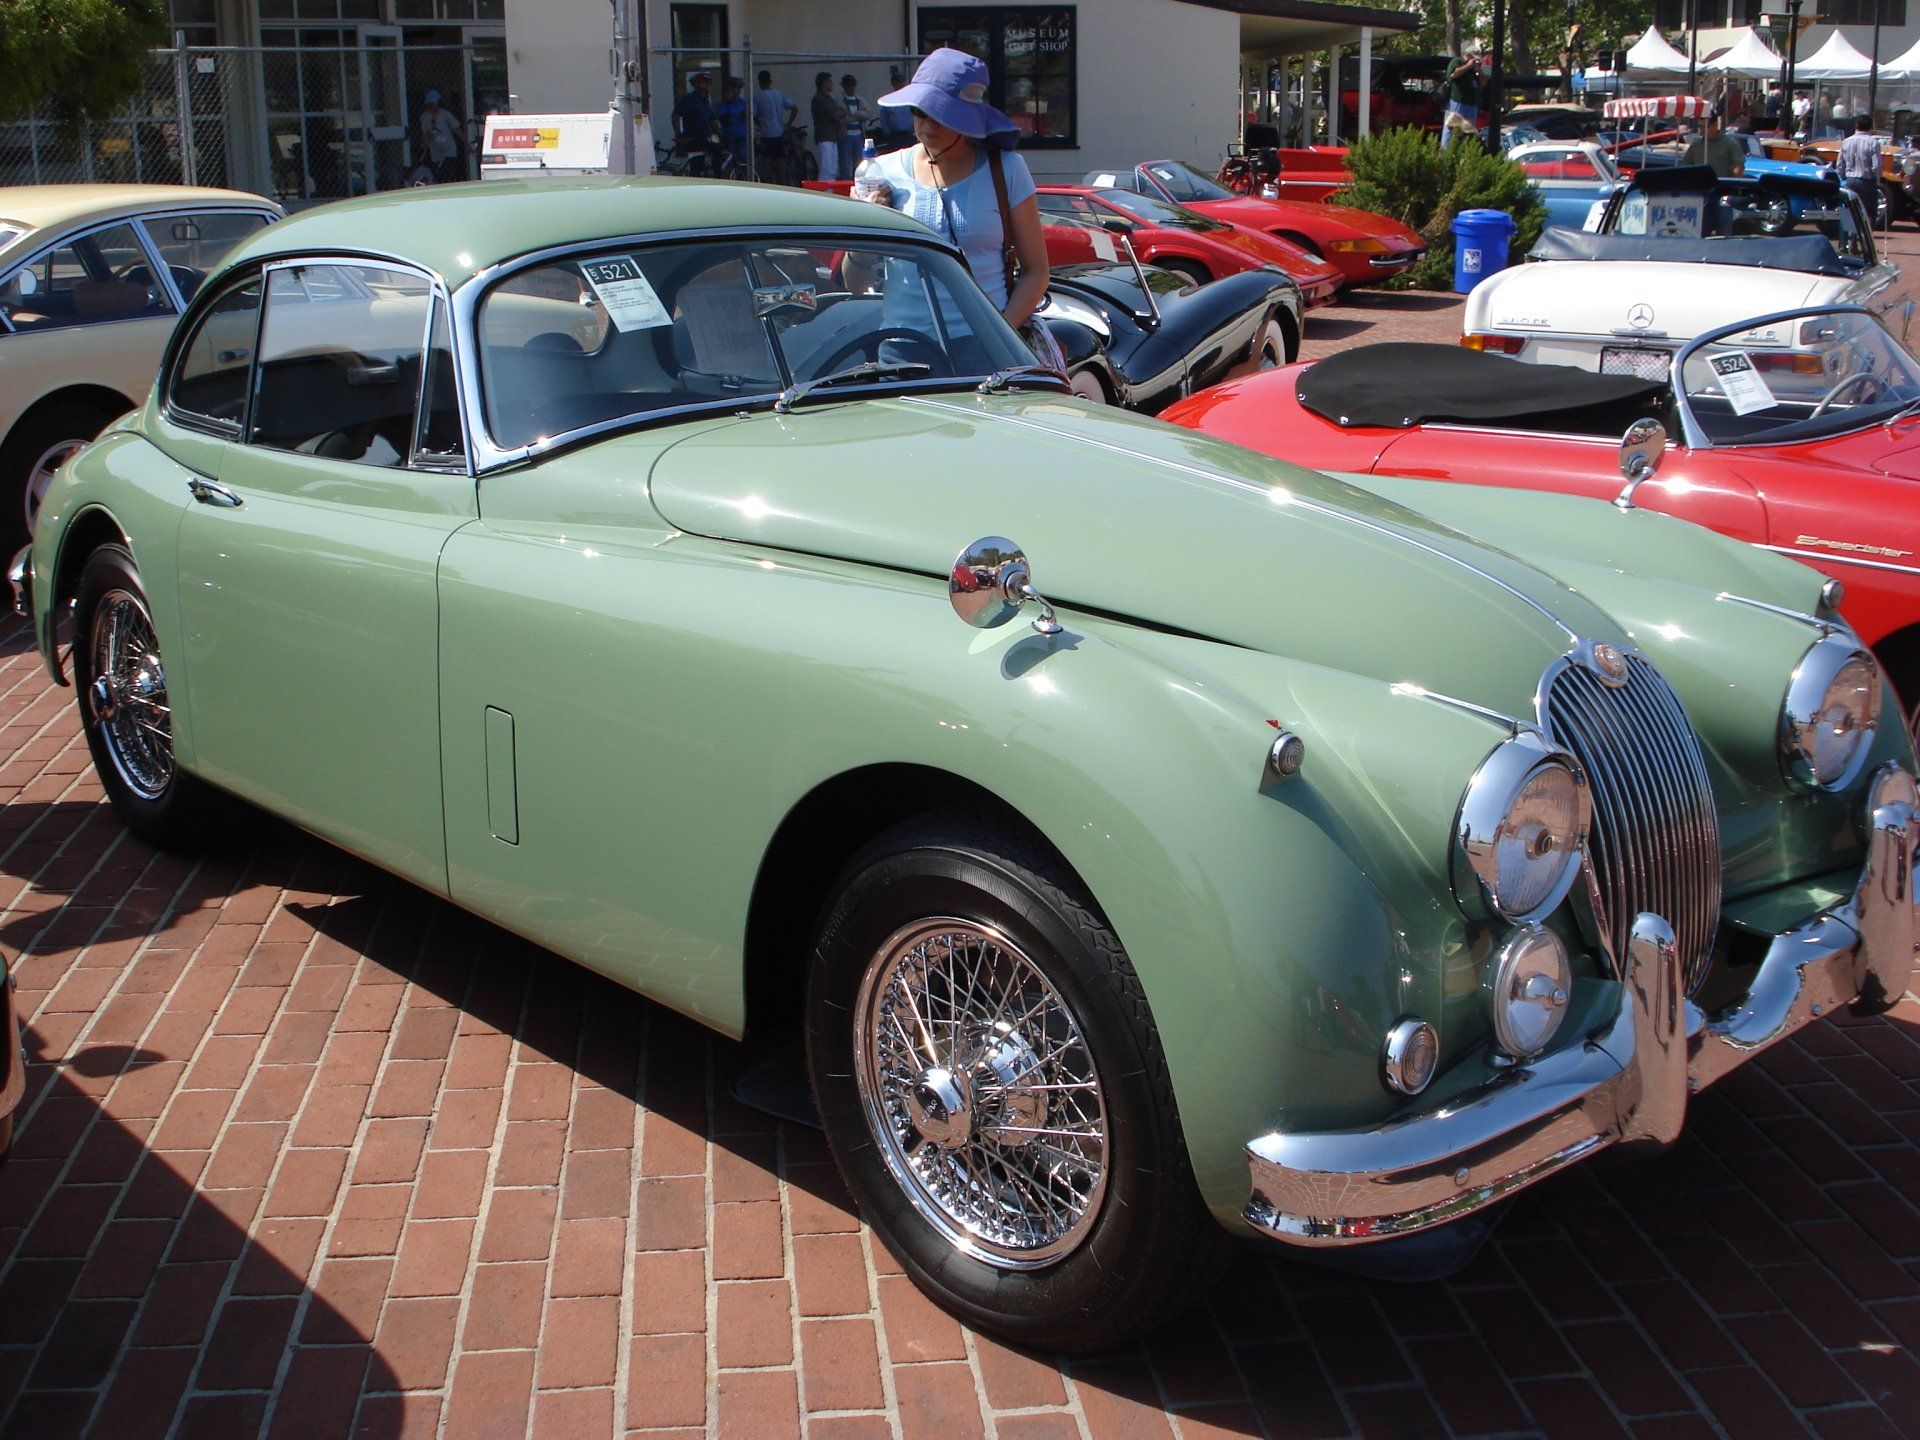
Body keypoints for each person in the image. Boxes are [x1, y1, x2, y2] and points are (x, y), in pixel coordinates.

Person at [855, 47, 1051, 371]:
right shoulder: (880, 171)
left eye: (941, 114)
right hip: (902, 349)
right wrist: (862, 225)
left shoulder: (1007, 169)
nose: (928, 126)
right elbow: (853, 280)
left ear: (968, 118)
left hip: (985, 348)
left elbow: (1037, 271)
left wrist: (999, 333)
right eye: (919, 111)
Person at [753, 70, 797, 180]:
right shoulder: (779, 94)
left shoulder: (758, 97)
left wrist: (760, 125)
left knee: (766, 161)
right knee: (780, 160)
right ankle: (784, 184)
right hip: (780, 132)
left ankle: (769, 185)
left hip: (767, 134)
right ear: (770, 81)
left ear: (759, 82)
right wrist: (788, 123)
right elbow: (794, 108)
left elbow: (752, 115)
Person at [1840, 113, 1884, 224]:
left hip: (1850, 180)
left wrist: (1844, 177)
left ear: (1856, 126)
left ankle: (1849, 238)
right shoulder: (1873, 143)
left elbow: (1840, 163)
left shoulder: (1846, 141)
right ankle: (1865, 237)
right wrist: (1878, 180)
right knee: (1868, 211)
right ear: (1870, 127)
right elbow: (1876, 165)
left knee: (1849, 210)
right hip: (1866, 181)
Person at [1441, 46, 1483, 149]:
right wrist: (1468, 66)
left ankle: (1465, 151)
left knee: (1469, 130)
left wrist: (1479, 71)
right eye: (1474, 58)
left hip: (1472, 104)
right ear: (1468, 55)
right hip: (1458, 102)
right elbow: (1453, 74)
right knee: (1451, 127)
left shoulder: (1474, 69)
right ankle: (1445, 151)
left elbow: (1483, 82)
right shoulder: (1457, 61)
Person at [418, 90, 464, 183]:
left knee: (448, 172)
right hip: (435, 152)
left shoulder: (446, 114)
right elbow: (425, 134)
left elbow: (456, 129)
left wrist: (466, 143)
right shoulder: (424, 117)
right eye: (429, 103)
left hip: (449, 150)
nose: (432, 106)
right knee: (438, 175)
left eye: (434, 103)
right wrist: (424, 146)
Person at [1683, 111, 1745, 178]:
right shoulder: (1696, 145)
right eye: (1701, 127)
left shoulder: (1729, 143)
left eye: (1706, 126)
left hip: (1722, 186)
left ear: (1715, 125)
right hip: (1701, 186)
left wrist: (1731, 184)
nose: (1703, 131)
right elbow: (1687, 166)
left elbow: (1738, 167)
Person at [811, 72, 847, 182]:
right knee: (826, 168)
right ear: (824, 83)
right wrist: (838, 112)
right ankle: (824, 193)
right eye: (829, 82)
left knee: (833, 169)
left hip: (832, 136)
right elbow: (834, 114)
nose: (832, 84)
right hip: (824, 136)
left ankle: (831, 191)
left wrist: (839, 112)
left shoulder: (828, 98)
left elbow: (841, 111)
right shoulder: (819, 98)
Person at [672, 71, 718, 155]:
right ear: (697, 84)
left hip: (709, 136)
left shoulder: (707, 100)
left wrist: (720, 134)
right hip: (694, 137)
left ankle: (716, 168)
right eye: (706, 82)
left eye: (709, 82)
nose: (709, 85)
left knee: (718, 149)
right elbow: (676, 116)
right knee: (697, 162)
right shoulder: (689, 99)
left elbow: (713, 119)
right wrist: (679, 135)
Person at [877, 68, 917, 150]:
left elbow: (916, 114)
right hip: (894, 136)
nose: (901, 84)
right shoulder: (888, 100)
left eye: (902, 82)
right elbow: (883, 117)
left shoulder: (911, 98)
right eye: (898, 82)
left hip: (909, 135)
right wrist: (886, 132)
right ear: (893, 83)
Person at [839, 75, 869, 179]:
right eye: (848, 86)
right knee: (845, 164)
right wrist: (856, 116)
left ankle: (859, 183)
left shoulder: (860, 99)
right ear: (844, 87)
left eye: (853, 86)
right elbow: (840, 117)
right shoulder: (838, 100)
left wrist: (852, 115)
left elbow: (866, 115)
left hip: (859, 135)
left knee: (859, 163)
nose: (851, 88)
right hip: (845, 135)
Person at [715, 76, 749, 161]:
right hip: (728, 143)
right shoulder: (722, 105)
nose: (726, 94)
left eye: (728, 91)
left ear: (736, 91)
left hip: (743, 142)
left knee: (744, 166)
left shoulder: (744, 104)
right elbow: (723, 121)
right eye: (725, 91)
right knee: (727, 166)